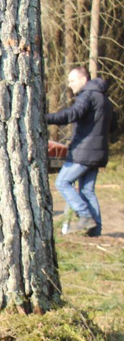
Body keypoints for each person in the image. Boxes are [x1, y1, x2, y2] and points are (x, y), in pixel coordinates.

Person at [47, 66, 115, 237]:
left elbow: (73, 114)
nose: (70, 85)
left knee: (62, 182)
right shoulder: (104, 99)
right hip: (99, 151)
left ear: (84, 80)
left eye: (72, 81)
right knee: (86, 190)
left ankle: (85, 216)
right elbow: (112, 126)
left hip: (84, 151)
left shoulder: (88, 95)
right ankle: (95, 230)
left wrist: (46, 118)